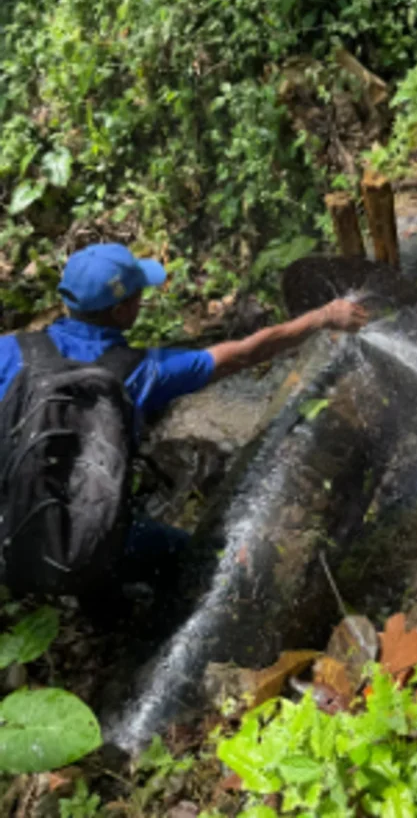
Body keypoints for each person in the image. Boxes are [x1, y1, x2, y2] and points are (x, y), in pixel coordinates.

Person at [0, 243, 368, 611]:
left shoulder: (9, 352)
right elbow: (245, 353)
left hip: (8, 542)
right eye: (138, 294)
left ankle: (100, 604)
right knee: (193, 556)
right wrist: (323, 317)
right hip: (89, 549)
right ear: (121, 310)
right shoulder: (142, 373)